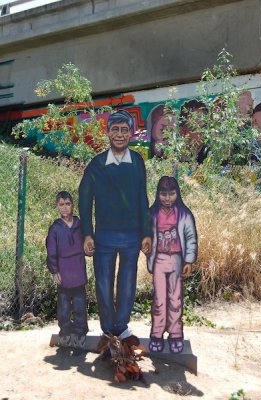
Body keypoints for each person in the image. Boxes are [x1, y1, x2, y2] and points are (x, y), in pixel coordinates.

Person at [78, 110, 152, 348]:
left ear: (131, 133)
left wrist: (146, 233)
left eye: (124, 130)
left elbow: (143, 198)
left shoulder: (137, 162)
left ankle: (122, 327)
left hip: (131, 236)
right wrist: (87, 233)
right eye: (115, 129)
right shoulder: (97, 164)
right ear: (107, 132)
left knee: (128, 282)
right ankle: (108, 330)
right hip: (104, 237)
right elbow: (84, 199)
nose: (119, 135)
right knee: (103, 282)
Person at [147, 176, 197, 354]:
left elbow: (191, 238)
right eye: (163, 194)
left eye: (171, 194)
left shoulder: (184, 214)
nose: (167, 198)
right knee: (159, 301)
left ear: (178, 193)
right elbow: (145, 235)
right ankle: (156, 335)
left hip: (176, 259)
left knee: (175, 299)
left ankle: (175, 334)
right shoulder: (151, 214)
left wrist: (189, 260)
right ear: (158, 194)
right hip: (159, 259)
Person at [46, 191, 88, 349]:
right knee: (63, 308)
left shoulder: (80, 225)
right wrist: (54, 270)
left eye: (67, 204)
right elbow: (51, 252)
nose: (64, 208)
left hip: (78, 271)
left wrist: (90, 248)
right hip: (63, 274)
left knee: (79, 307)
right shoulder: (55, 228)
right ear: (57, 206)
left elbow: (88, 244)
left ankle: (80, 336)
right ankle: (64, 336)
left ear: (73, 205)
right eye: (61, 204)